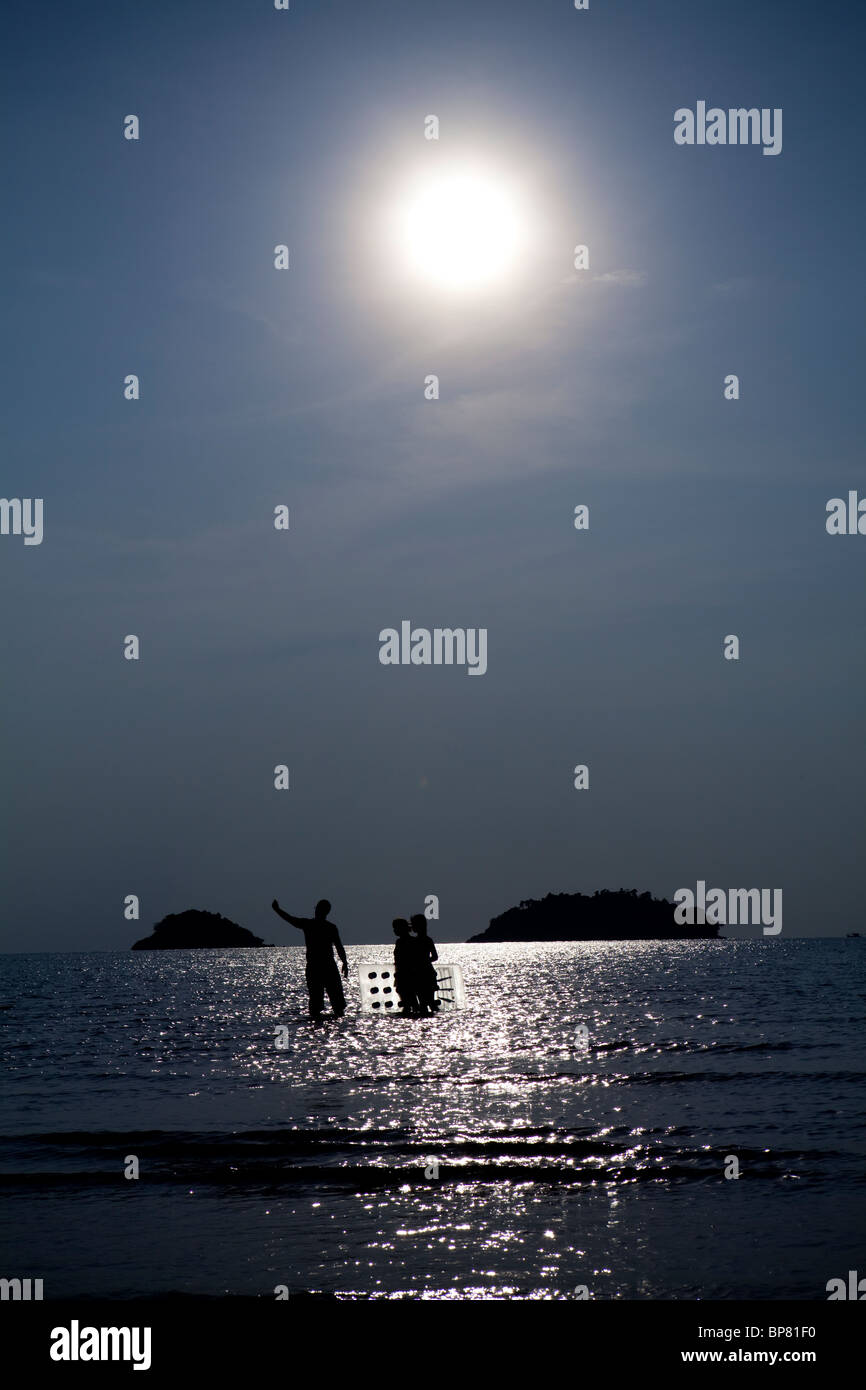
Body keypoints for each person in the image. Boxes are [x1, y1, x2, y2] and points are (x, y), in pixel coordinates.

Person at [271, 897, 348, 1020]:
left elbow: (339, 946)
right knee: (323, 1004)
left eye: (317, 908)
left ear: (320, 910)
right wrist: (344, 962)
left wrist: (345, 962)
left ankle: (319, 1026)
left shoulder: (315, 926)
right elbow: (291, 920)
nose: (316, 910)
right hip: (321, 967)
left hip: (321, 968)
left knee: (331, 1003)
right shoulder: (320, 926)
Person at [410, 914, 439, 1015]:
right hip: (429, 972)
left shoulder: (414, 942)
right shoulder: (428, 940)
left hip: (420, 974)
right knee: (431, 1002)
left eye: (413, 924)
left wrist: (420, 962)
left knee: (423, 1002)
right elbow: (435, 957)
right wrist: (426, 961)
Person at [392, 918, 420, 1017]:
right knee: (402, 991)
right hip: (401, 972)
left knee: (408, 992)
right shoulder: (400, 941)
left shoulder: (409, 941)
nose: (394, 930)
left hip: (407, 973)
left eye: (395, 928)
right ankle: (410, 1009)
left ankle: (411, 1009)